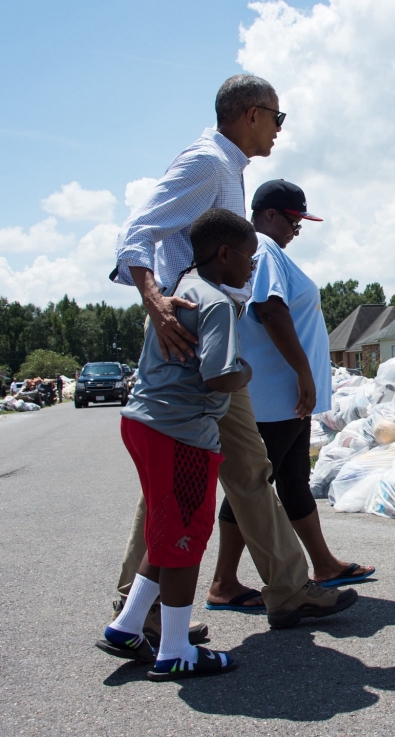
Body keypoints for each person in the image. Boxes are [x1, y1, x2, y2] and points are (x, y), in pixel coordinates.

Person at [111, 74, 357, 632]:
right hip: (196, 347)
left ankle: (286, 590)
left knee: (246, 470)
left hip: (216, 343)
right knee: (183, 482)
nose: (279, 128)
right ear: (251, 113)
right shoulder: (207, 163)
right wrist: (154, 298)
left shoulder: (229, 171)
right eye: (277, 116)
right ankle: (142, 609)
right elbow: (138, 231)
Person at [97, 209, 255, 680]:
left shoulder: (180, 287)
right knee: (186, 539)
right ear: (224, 253)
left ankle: (127, 626)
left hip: (142, 421)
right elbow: (220, 374)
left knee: (165, 533)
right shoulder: (219, 303)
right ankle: (174, 650)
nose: (251, 267)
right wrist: (246, 370)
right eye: (248, 257)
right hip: (182, 433)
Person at [207, 181, 374, 610]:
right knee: (253, 486)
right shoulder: (261, 248)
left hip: (289, 399)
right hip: (273, 396)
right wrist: (303, 370)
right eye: (294, 218)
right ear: (268, 214)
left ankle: (324, 563)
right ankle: (223, 582)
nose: (298, 227)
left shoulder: (270, 251)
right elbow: (270, 309)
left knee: (293, 480)